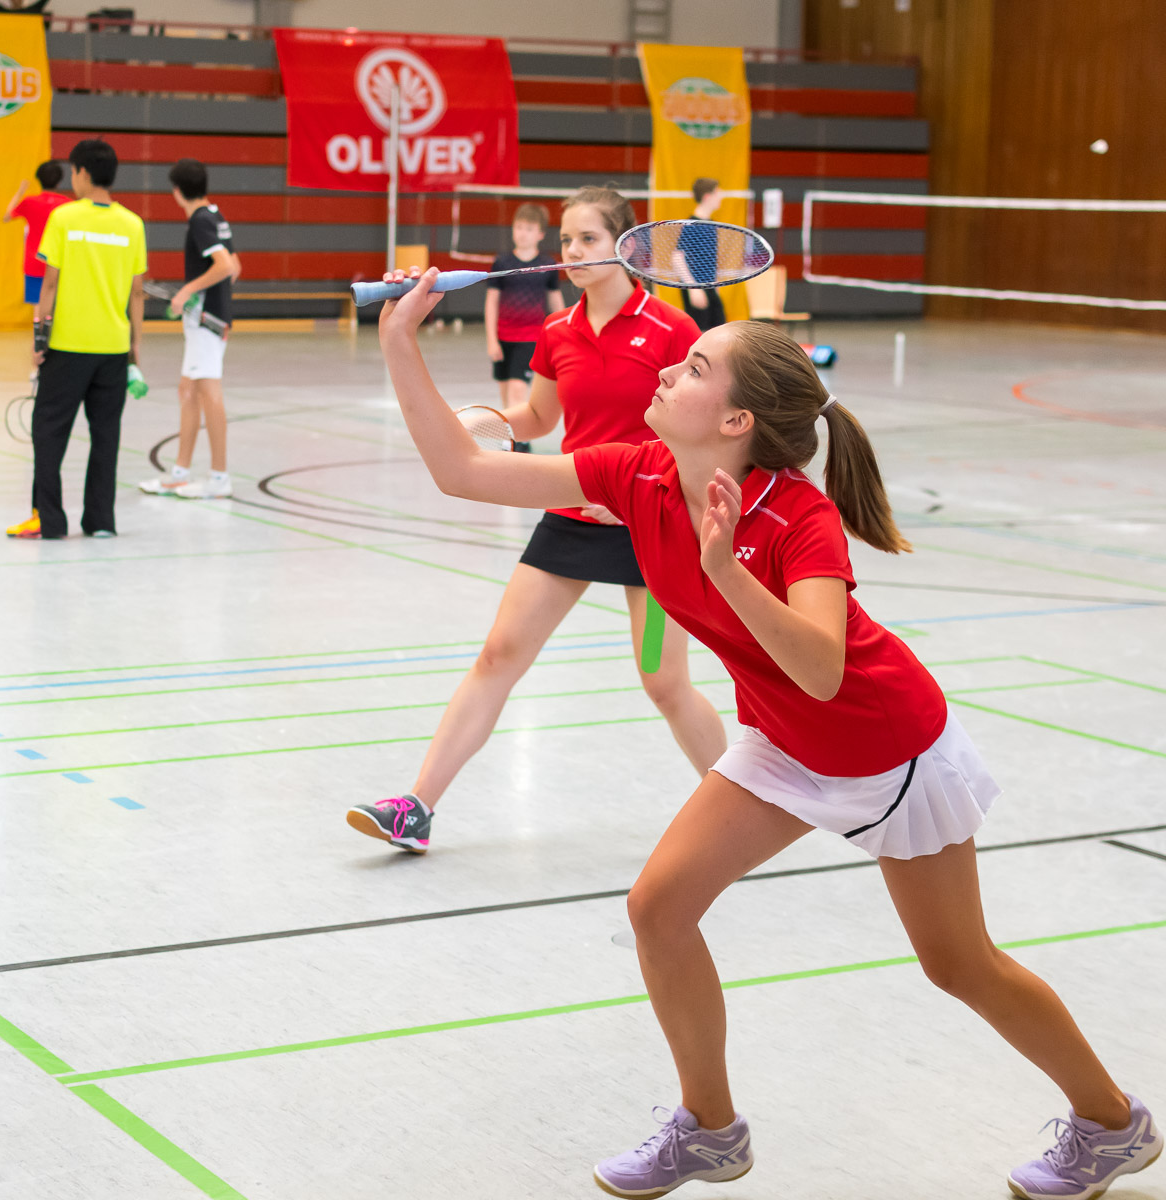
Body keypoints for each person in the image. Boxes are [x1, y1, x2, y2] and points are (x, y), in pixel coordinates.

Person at [369, 265, 1161, 1200]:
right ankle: (710, 1131)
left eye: (694, 368)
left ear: (736, 420)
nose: (669, 371)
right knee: (658, 909)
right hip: (785, 743)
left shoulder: (798, 518)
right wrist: (399, 339)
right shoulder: (637, 473)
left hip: (887, 752)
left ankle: (1111, 1122)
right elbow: (463, 472)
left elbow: (822, 668)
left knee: (959, 966)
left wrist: (727, 572)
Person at [347, 187, 728, 854]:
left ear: (624, 245)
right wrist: (476, 422)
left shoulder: (671, 329)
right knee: (499, 654)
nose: (572, 251)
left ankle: (742, 806)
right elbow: (539, 417)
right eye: (566, 240)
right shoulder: (558, 332)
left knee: (664, 682)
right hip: (574, 514)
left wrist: (640, 488)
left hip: (652, 526)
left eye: (587, 239)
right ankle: (417, 806)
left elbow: (698, 432)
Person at [6, 140, 148, 541]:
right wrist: (135, 347)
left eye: (74, 172)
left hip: (67, 346)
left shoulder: (65, 218)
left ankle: (49, 522)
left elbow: (49, 284)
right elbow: (137, 293)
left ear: (83, 173)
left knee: (48, 433)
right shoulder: (133, 224)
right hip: (113, 349)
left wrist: (39, 337)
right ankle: (100, 521)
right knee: (106, 436)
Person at [138, 158, 240, 500]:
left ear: (177, 191)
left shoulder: (199, 220)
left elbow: (224, 266)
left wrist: (187, 291)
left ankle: (219, 477)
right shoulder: (215, 215)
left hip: (206, 322)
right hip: (213, 317)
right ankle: (180, 473)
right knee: (188, 391)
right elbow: (235, 266)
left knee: (209, 392)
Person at [484, 202, 563, 448]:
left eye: (529, 229)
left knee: (518, 390)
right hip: (503, 338)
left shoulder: (547, 265)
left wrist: (564, 333)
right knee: (506, 391)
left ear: (540, 234)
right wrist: (492, 340)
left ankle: (520, 441)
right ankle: (512, 435)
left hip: (530, 339)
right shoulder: (502, 263)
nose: (522, 233)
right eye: (518, 227)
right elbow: (491, 302)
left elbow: (556, 303)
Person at [3, 162, 70, 311]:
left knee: (37, 306)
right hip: (58, 261)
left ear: (39, 179)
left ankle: (38, 327)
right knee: (56, 305)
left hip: (34, 261)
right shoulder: (67, 205)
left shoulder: (29, 202)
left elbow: (7, 216)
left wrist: (20, 192)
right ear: (59, 181)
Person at [676, 177, 727, 332]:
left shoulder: (711, 224)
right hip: (696, 288)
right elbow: (677, 258)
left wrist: (715, 285)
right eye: (718, 193)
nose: (721, 197)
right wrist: (693, 288)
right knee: (699, 334)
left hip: (710, 287)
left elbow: (710, 259)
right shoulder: (692, 225)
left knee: (720, 329)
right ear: (707, 197)